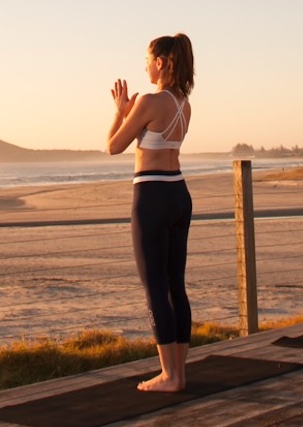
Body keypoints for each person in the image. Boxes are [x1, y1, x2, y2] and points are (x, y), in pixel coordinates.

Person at [106, 33, 195, 392]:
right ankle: (179, 372)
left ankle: (169, 375)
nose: (144, 67)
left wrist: (120, 111)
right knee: (176, 285)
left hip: (152, 194)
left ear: (160, 62)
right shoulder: (183, 103)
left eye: (146, 61)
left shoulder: (149, 100)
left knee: (155, 286)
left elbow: (114, 145)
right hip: (179, 193)